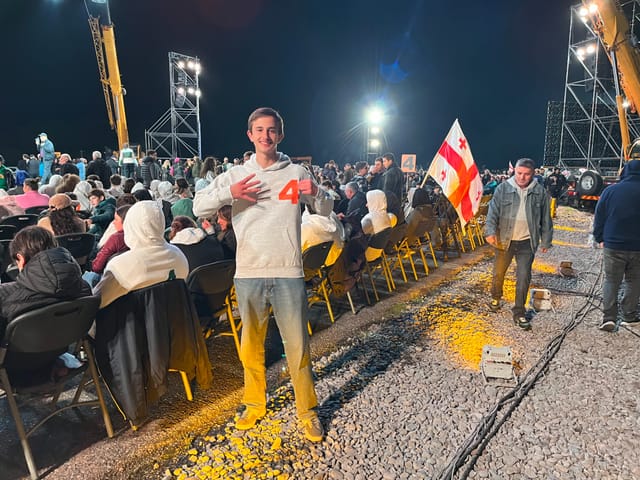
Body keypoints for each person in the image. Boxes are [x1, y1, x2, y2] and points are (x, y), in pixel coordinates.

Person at [193, 107, 332, 443]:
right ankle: (254, 402)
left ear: (280, 135)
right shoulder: (236, 174)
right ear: (250, 134)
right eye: (259, 130)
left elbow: (325, 210)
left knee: (297, 346)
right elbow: (198, 207)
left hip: (288, 270)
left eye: (271, 130)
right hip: (249, 271)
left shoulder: (296, 170)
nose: (265, 136)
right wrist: (230, 194)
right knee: (251, 346)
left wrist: (315, 192)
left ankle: (307, 410)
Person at [484, 157, 553, 330]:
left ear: (533, 174)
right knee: (498, 273)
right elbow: (493, 212)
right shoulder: (503, 188)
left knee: (523, 277)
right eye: (519, 173)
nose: (522, 177)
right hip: (504, 241)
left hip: (526, 243)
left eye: (526, 174)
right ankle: (496, 297)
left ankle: (519, 312)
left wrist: (546, 240)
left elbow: (546, 218)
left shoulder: (539, 191)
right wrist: (490, 231)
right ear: (514, 171)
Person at [0, 226, 91, 346]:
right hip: (62, 350)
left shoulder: (4, 295)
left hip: (15, 361)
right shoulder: (84, 287)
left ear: (20, 259)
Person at [93, 200, 189, 308]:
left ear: (130, 225)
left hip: (129, 323)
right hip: (176, 321)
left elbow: (96, 303)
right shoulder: (179, 255)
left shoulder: (120, 265)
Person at [592, 159, 640, 331]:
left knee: (612, 281)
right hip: (638, 247)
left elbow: (599, 216)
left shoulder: (610, 191)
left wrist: (599, 237)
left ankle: (609, 318)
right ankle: (629, 315)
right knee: (634, 281)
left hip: (613, 244)